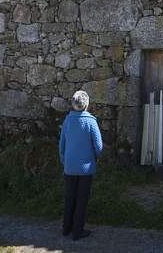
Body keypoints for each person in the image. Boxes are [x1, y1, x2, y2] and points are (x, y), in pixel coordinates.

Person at [59, 90, 103, 241]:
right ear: (86, 104)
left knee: (69, 197)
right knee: (81, 199)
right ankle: (78, 231)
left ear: (73, 104)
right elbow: (99, 146)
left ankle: (66, 228)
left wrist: (64, 161)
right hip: (86, 168)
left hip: (69, 167)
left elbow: (62, 145)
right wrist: (94, 158)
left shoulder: (67, 120)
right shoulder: (91, 121)